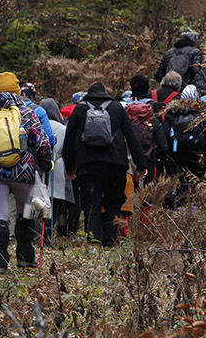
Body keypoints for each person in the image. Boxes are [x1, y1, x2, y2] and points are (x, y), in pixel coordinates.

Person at [62, 81, 149, 248]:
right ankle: (109, 239)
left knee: (91, 203)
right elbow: (131, 137)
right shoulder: (117, 108)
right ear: (105, 92)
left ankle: (93, 241)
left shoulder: (80, 109)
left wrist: (69, 166)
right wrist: (141, 165)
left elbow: (69, 140)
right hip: (115, 164)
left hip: (88, 165)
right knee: (114, 202)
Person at [0, 72, 54, 271]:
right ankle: (24, 257)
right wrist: (45, 163)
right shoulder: (26, 112)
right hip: (23, 170)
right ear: (17, 91)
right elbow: (42, 142)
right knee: (26, 213)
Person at [37, 97, 71, 245]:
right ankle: (50, 233)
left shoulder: (36, 125)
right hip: (58, 166)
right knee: (54, 201)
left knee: (40, 201)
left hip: (40, 166)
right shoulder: (63, 128)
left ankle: (40, 234)